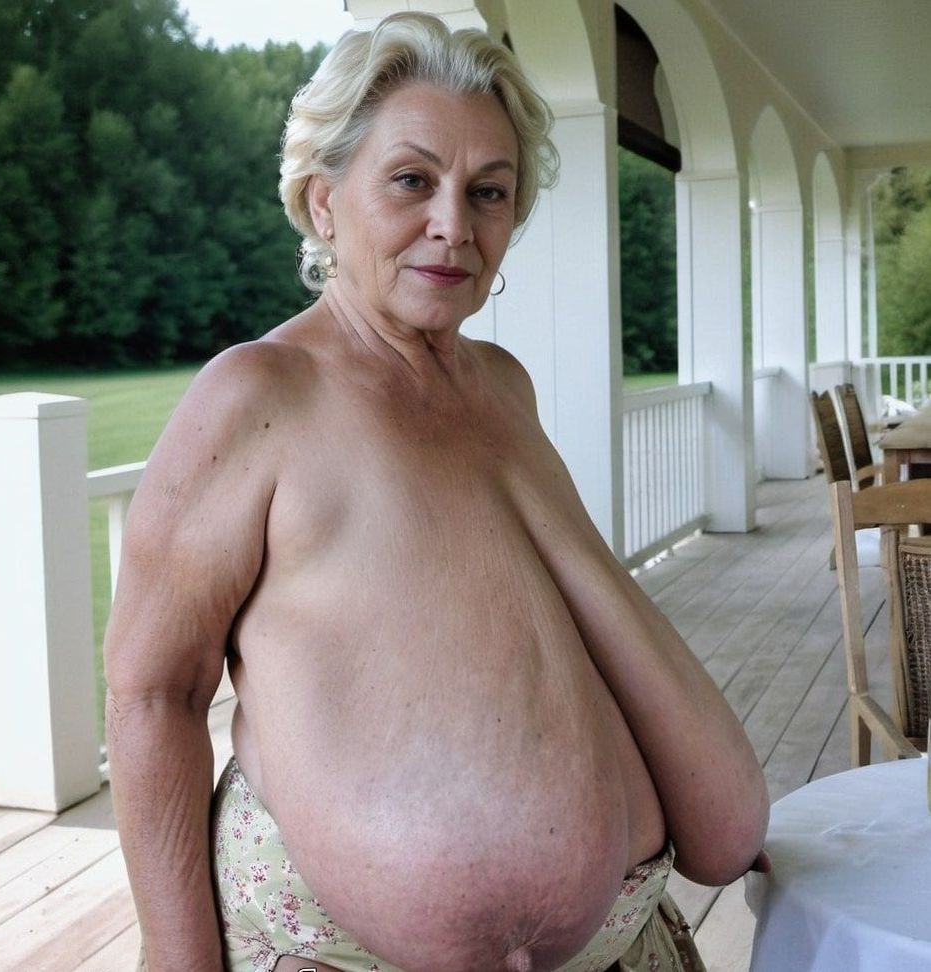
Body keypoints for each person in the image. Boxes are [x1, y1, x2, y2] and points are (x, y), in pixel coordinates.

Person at [105, 12, 769, 972]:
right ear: (324, 201)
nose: (455, 226)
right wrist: (177, 960)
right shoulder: (257, 396)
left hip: (633, 940)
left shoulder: (502, 386)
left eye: (488, 192)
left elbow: (564, 621)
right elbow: (152, 693)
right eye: (412, 181)